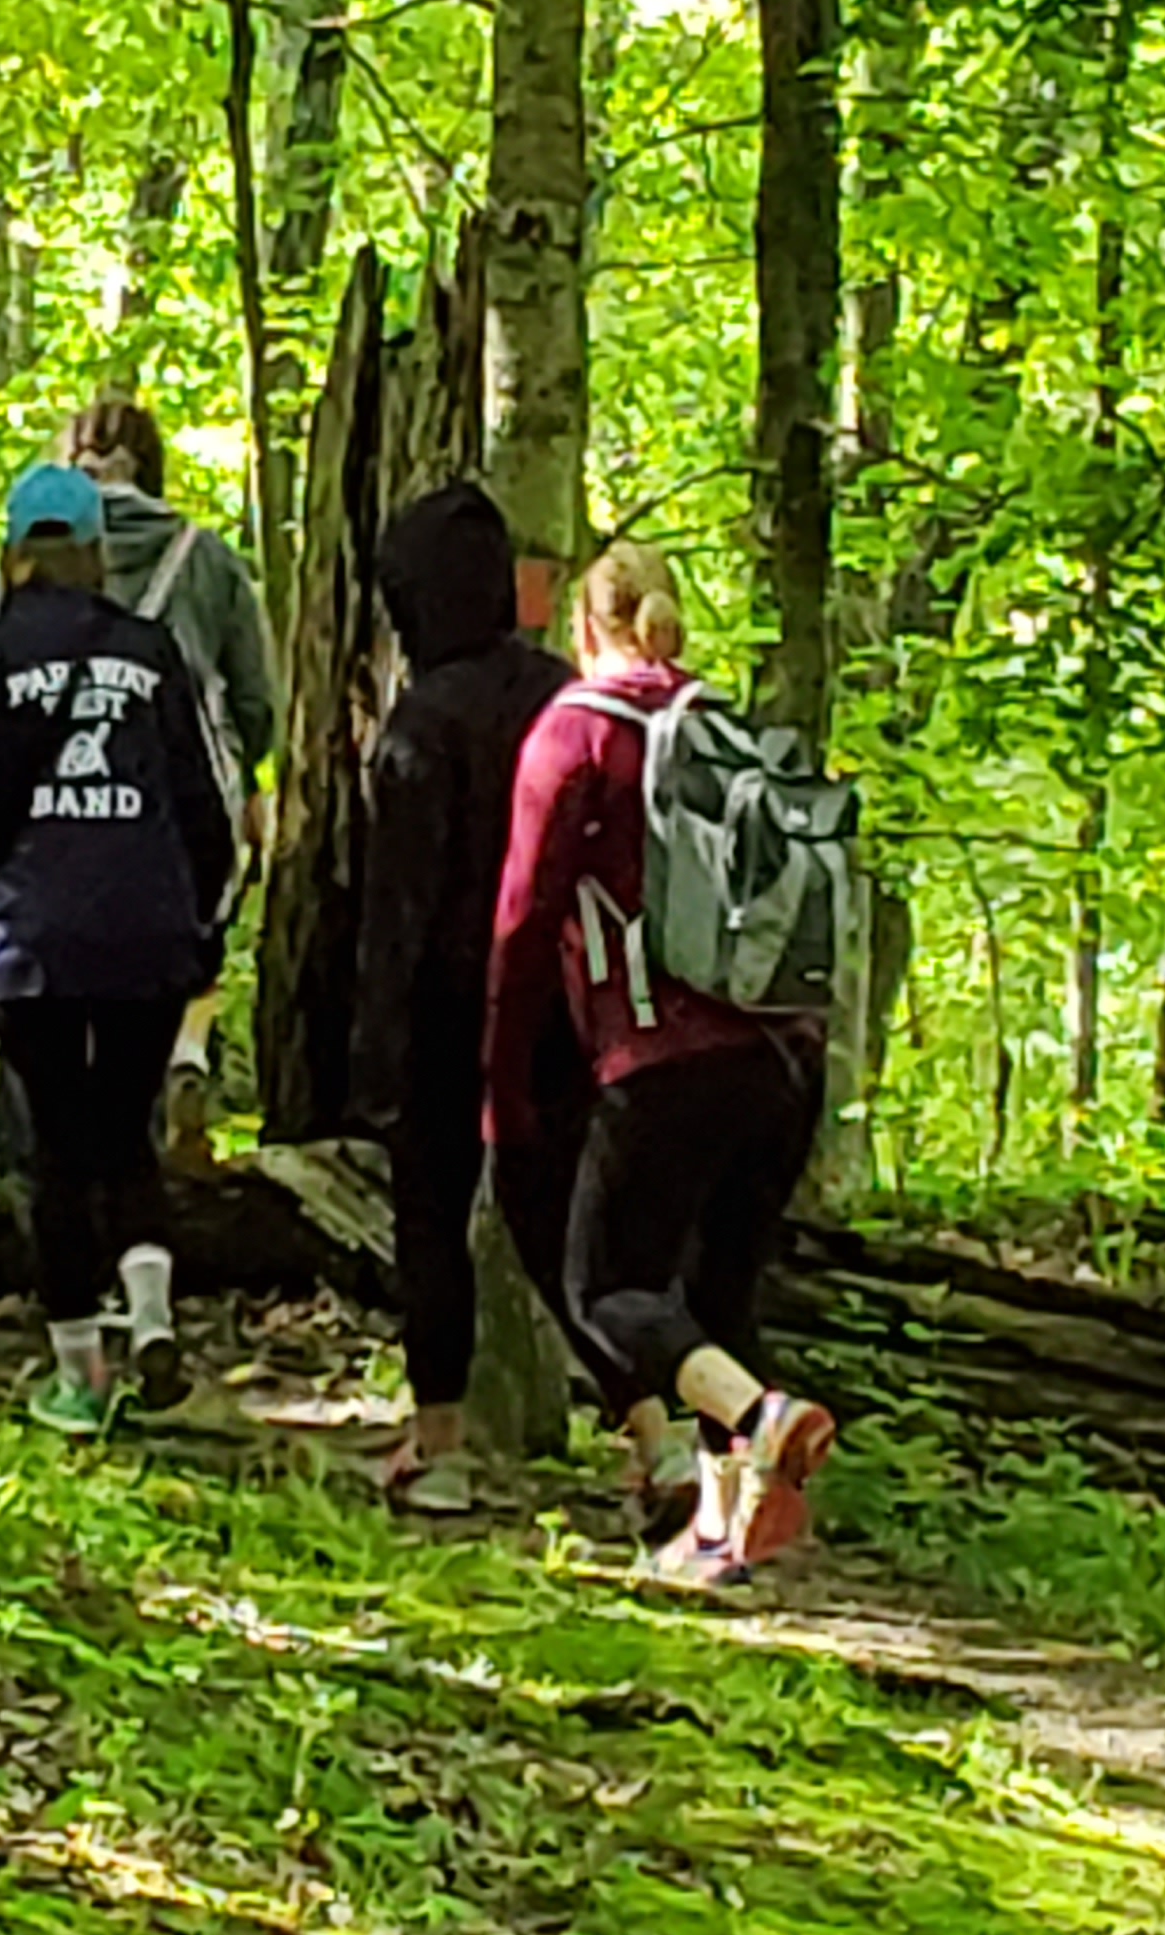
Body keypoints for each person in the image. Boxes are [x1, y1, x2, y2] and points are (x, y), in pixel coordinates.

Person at [484, 542, 839, 1584]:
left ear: (585, 632)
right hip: (785, 1056)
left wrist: (503, 1087)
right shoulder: (724, 728)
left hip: (663, 1056)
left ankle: (759, 1419)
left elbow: (521, 922)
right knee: (714, 1305)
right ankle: (721, 1536)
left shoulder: (578, 732)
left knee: (608, 1289)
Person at [0, 463, 238, 1434]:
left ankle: (79, 1375)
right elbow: (206, 799)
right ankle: (148, 1316)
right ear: (97, 553)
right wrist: (202, 918)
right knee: (127, 1134)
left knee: (58, 1146)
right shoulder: (150, 651)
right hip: (148, 930)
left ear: (16, 552)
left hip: (37, 936)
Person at [350, 481, 571, 1516]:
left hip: (447, 1012)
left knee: (432, 1221)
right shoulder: (565, 698)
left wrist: (375, 1040)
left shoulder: (420, 726)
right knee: (578, 1229)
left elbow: (398, 903)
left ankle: (437, 1444)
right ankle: (662, 1446)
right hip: (566, 1009)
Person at [59, 399, 275, 1170]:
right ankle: (185, 1056)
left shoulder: (41, 551)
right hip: (183, 796)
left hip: (71, 795)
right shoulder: (206, 559)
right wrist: (246, 773)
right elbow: (255, 699)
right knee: (188, 945)